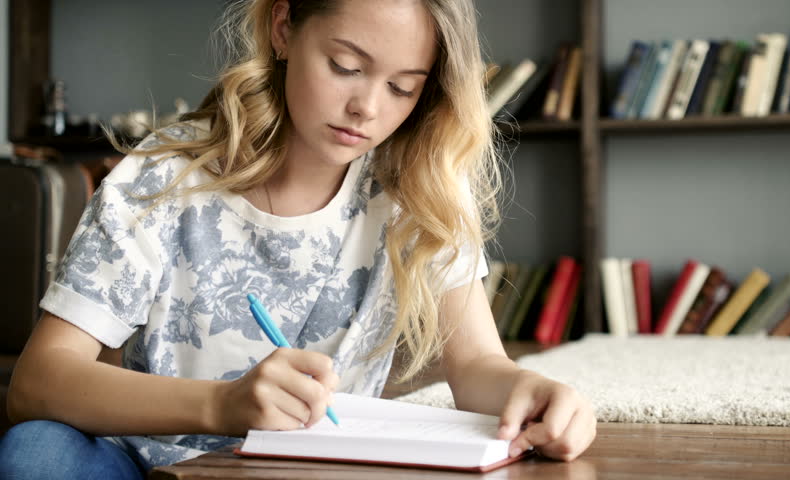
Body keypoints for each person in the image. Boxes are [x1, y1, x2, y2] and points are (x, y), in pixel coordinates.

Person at [0, 0, 597, 478]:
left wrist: (534, 391)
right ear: (283, 27)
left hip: (325, 469)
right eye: (346, 66)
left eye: (403, 87)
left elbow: (475, 366)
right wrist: (221, 406)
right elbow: (38, 381)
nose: (366, 107)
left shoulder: (420, 188)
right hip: (152, 469)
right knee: (37, 453)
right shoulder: (163, 177)